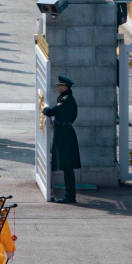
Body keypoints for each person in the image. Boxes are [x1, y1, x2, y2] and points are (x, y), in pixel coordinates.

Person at [41, 76, 81, 204]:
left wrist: (44, 108)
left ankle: (70, 196)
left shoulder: (67, 100)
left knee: (67, 167)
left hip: (66, 137)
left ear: (65, 87)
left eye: (59, 85)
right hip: (63, 134)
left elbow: (51, 111)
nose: (57, 87)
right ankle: (69, 195)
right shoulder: (64, 98)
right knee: (65, 167)